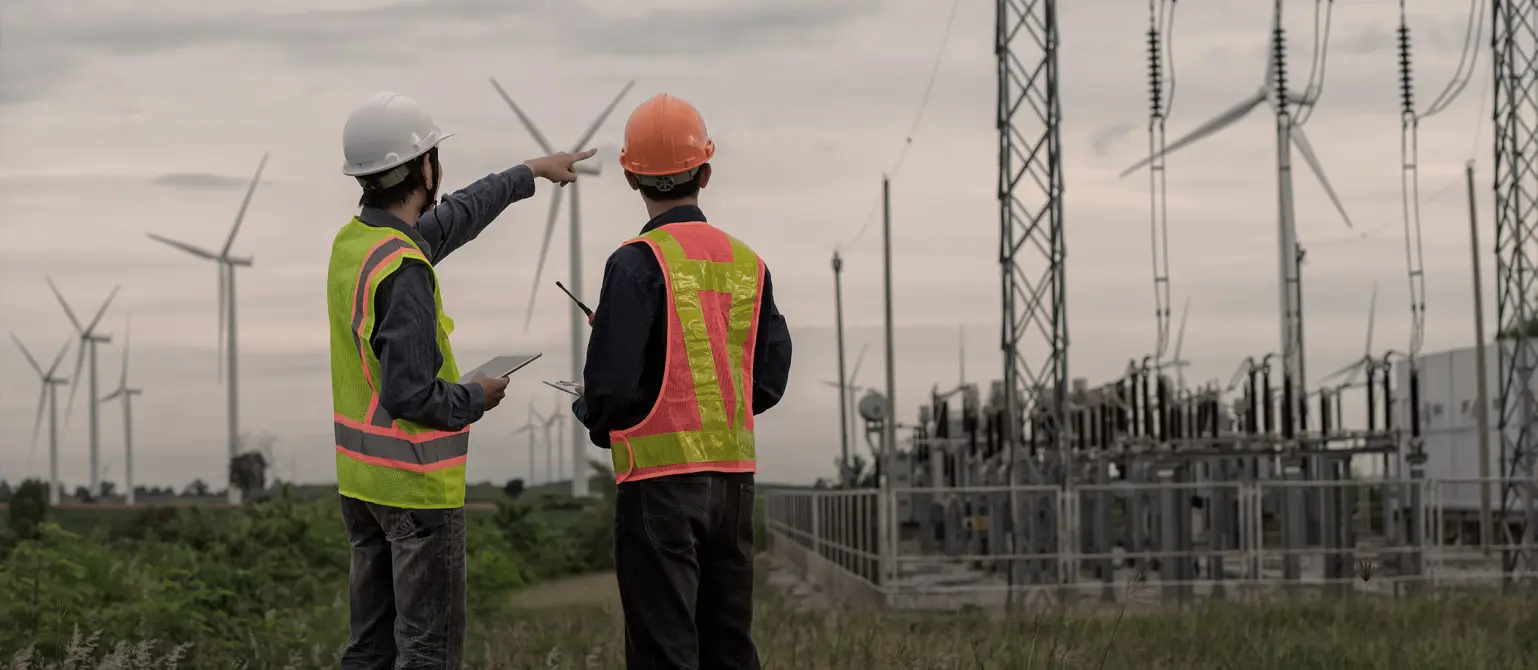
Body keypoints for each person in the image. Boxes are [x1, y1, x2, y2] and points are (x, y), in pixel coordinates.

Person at [327, 90, 594, 669]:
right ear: (425, 167)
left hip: (362, 487)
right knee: (428, 652)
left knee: (368, 649)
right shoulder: (404, 269)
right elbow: (410, 395)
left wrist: (529, 172)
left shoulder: (356, 246)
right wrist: (477, 395)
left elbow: (456, 218)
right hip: (416, 491)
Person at [572, 93, 793, 669]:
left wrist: (591, 413)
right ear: (706, 170)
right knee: (729, 648)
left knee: (664, 653)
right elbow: (766, 382)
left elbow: (611, 396)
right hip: (736, 490)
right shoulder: (749, 264)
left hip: (659, 490)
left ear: (629, 176)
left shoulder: (635, 263)